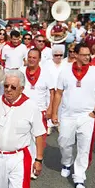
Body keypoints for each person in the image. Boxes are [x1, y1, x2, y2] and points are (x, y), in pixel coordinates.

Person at [50, 43, 95, 188]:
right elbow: (58, 93)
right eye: (84, 54)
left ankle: (79, 177)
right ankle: (67, 162)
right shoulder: (65, 71)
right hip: (67, 115)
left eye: (89, 54)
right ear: (75, 55)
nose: (87, 57)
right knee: (64, 142)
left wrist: (94, 112)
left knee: (84, 147)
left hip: (87, 116)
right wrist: (54, 113)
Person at [21, 48, 57, 179]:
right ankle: (25, 165)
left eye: (34, 58)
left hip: (40, 111)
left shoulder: (46, 73)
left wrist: (50, 109)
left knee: (38, 140)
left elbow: (52, 92)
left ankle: (35, 164)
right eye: (29, 57)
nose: (31, 60)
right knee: (24, 140)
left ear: (39, 59)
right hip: (23, 110)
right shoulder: (21, 71)